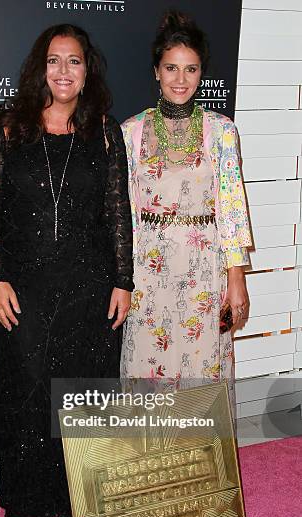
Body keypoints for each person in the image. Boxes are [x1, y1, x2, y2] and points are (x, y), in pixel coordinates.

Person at [0, 24, 133, 517]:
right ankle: (35, 500)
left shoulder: (105, 133)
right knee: (29, 395)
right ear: (39, 69)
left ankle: (86, 498)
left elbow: (118, 213)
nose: (64, 71)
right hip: (27, 290)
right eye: (54, 60)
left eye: (75, 61)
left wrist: (123, 280)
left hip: (90, 290)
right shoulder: (8, 131)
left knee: (87, 395)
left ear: (87, 73)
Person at [120, 11, 252, 394]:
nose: (181, 80)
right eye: (171, 68)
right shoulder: (131, 132)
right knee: (147, 367)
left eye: (191, 69)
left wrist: (236, 276)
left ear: (201, 73)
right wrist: (121, 279)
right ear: (156, 72)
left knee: (204, 367)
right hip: (146, 270)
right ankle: (150, 455)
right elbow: (123, 212)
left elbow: (231, 207)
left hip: (205, 270)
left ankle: (202, 454)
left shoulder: (221, 130)